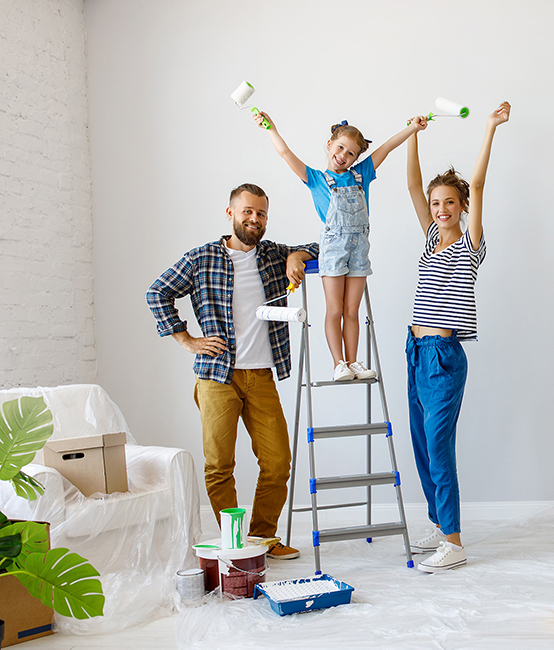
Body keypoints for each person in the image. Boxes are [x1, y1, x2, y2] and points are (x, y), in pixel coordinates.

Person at [146, 183, 318, 560]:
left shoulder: (274, 254)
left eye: (261, 213)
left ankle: (263, 537)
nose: (254, 219)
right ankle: (235, 542)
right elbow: (157, 292)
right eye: (247, 212)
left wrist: (299, 255)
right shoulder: (202, 258)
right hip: (215, 375)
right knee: (220, 465)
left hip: (260, 375)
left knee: (277, 463)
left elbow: (322, 247)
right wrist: (186, 339)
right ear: (231, 214)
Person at [404, 102, 511, 572]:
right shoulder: (430, 239)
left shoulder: (470, 245)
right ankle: (436, 523)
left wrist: (488, 128)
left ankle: (455, 541)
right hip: (414, 350)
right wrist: (412, 133)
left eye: (450, 202)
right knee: (422, 446)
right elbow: (412, 183)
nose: (442, 209)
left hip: (444, 357)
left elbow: (481, 181)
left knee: (440, 447)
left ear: (462, 207)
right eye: (436, 203)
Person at [253, 109, 425, 381]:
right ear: (329, 145)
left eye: (351, 154)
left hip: (359, 249)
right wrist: (270, 127)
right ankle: (339, 363)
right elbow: (286, 153)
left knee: (351, 311)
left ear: (357, 158)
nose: (344, 156)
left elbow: (388, 147)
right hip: (333, 249)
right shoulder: (316, 179)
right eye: (341, 148)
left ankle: (354, 361)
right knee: (334, 310)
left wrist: (412, 129)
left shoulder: (362, 174)